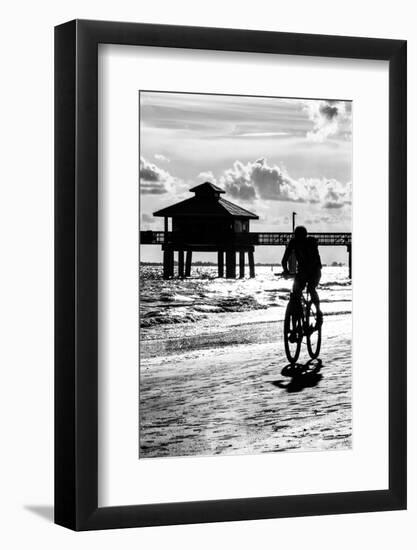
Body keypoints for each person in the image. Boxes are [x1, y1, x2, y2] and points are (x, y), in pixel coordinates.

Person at [282, 225, 323, 323]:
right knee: (297, 291)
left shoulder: (309, 242)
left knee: (311, 288)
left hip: (314, 270)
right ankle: (299, 309)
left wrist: (286, 270)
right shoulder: (294, 242)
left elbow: (284, 260)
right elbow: (284, 260)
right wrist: (286, 270)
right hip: (304, 271)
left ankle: (318, 311)